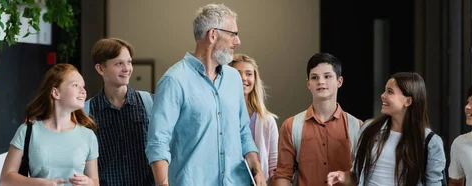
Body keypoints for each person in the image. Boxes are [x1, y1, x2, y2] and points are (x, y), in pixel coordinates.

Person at [145, 3, 266, 186]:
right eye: (233, 34)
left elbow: (243, 131)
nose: (237, 41)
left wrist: (257, 169)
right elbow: (158, 141)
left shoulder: (233, 78)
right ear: (213, 35)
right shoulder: (174, 81)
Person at [327, 72, 446, 186]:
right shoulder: (369, 129)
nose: (383, 95)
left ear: (408, 101)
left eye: (390, 92)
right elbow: (357, 176)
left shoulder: (430, 142)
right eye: (385, 90)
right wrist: (342, 176)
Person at [0, 64, 99, 186]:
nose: (83, 91)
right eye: (75, 85)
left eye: (83, 86)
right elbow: (5, 179)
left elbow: (95, 182)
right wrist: (39, 183)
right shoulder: (27, 131)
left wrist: (89, 183)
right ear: (56, 93)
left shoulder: (88, 136)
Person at [273, 53, 363, 186]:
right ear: (308, 84)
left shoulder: (357, 126)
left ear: (339, 81)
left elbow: (362, 174)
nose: (321, 82)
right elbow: (283, 174)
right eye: (315, 77)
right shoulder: (291, 126)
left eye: (327, 76)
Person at [83, 38, 155, 185]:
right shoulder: (86, 111)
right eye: (119, 63)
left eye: (129, 62)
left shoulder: (149, 102)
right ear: (100, 69)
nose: (127, 68)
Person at [229, 54, 279, 182]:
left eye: (249, 74)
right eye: (237, 73)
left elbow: (274, 166)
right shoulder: (220, 117)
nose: (243, 78)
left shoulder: (267, 121)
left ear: (255, 79)